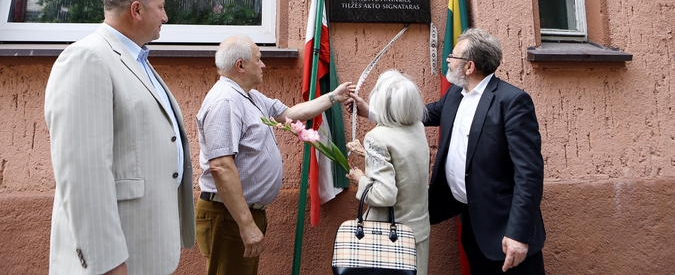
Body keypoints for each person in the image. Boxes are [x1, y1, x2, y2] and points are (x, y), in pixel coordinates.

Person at [350, 28, 546, 274]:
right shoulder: (455, 93)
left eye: (453, 56)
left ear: (470, 66)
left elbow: (529, 175)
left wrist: (518, 234)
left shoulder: (512, 102)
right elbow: (423, 115)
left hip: (503, 226)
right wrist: (370, 111)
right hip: (471, 220)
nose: (448, 60)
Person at [45, 0, 195, 275]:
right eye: (161, 8)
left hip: (142, 249)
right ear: (136, 10)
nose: (165, 17)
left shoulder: (135, 59)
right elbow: (82, 172)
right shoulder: (88, 58)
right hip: (115, 261)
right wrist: (108, 262)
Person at [195, 35, 354, 275]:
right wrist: (247, 225)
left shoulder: (250, 96)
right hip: (228, 217)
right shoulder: (225, 101)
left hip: (239, 215)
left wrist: (333, 97)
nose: (263, 65)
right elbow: (221, 166)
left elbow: (291, 113)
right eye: (258, 60)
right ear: (240, 66)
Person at [346, 69, 431, 275]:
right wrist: (368, 156)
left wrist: (361, 178)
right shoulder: (417, 126)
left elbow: (384, 196)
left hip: (389, 238)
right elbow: (404, 166)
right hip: (417, 232)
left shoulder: (377, 138)